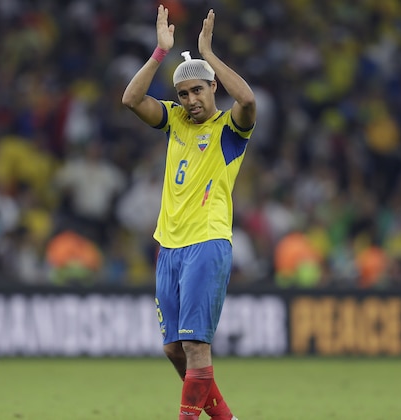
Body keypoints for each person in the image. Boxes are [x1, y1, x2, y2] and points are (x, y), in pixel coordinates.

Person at [121, 5, 256, 420]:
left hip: (207, 243)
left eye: (198, 90)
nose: (191, 100)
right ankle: (226, 418)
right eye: (183, 93)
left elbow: (247, 98)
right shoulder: (175, 121)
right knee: (173, 349)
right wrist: (161, 52)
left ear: (212, 87)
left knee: (197, 347)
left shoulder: (229, 131)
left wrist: (207, 54)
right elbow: (131, 99)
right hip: (170, 246)